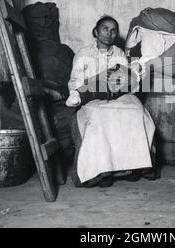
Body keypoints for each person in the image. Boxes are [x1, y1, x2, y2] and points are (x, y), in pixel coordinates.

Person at [66, 16, 157, 187]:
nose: (109, 33)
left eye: (113, 30)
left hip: (116, 94)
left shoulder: (119, 53)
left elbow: (125, 77)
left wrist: (124, 79)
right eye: (105, 29)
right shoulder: (83, 54)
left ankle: (134, 166)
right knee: (101, 115)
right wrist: (97, 81)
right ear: (96, 32)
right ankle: (102, 171)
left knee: (136, 110)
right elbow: (75, 83)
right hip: (91, 96)